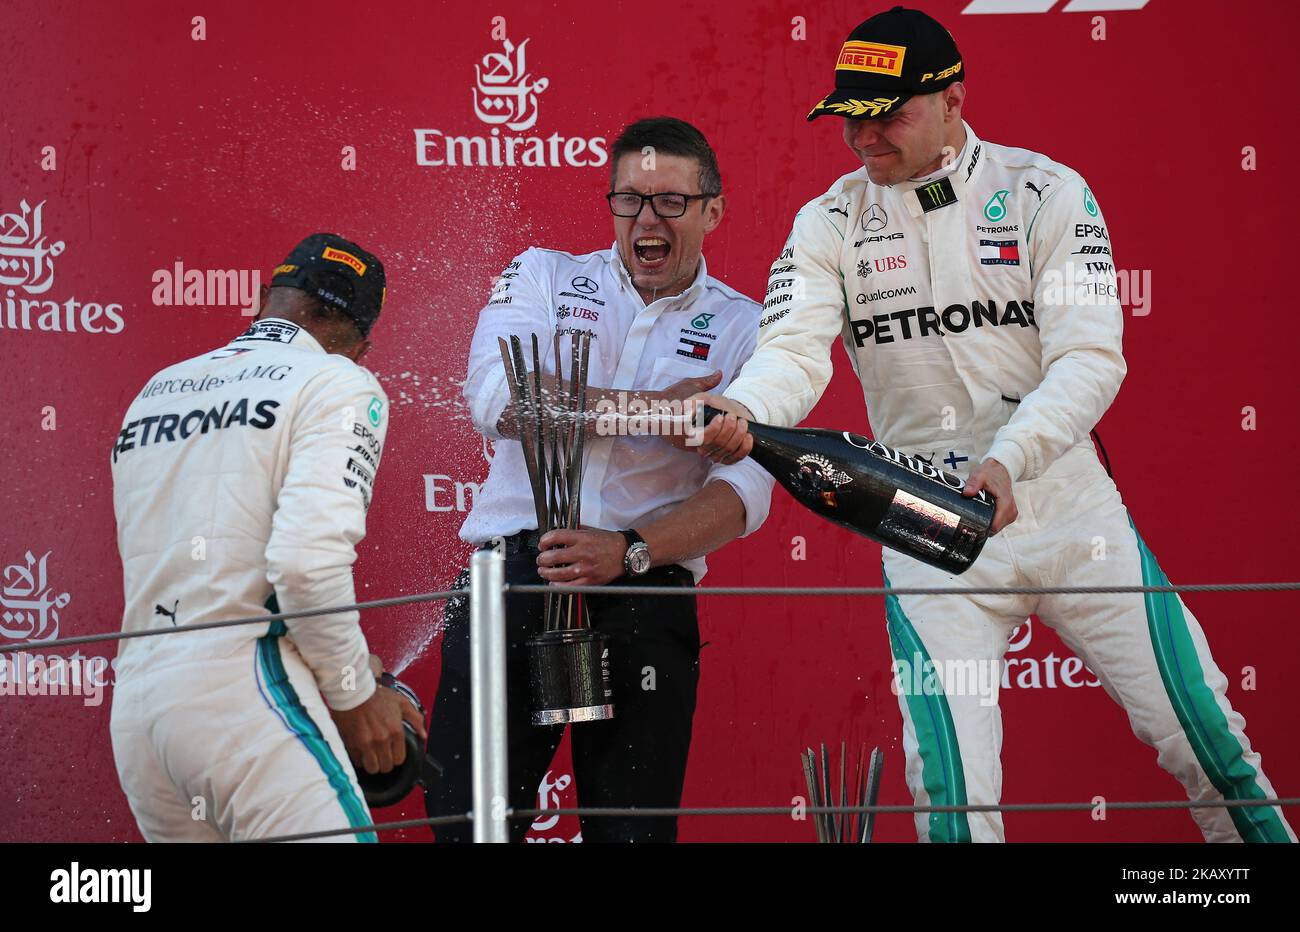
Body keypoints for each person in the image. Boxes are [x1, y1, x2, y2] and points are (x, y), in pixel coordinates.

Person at [694, 7, 1295, 843]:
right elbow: (792, 351)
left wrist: (1011, 459)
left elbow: (1091, 357)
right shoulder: (827, 222)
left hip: (1065, 506)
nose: (865, 138)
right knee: (950, 792)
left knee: (1208, 741)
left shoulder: (1047, 191)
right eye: (850, 117)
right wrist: (747, 407)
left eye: (889, 113)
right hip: (924, 518)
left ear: (953, 98)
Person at [426, 116, 773, 843]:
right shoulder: (545, 274)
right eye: (630, 200)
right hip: (512, 581)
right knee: (470, 829)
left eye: (671, 202)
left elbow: (745, 493)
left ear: (713, 210)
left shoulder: (746, 327)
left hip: (645, 593)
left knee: (631, 834)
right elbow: (501, 399)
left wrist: (631, 552)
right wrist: (656, 412)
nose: (648, 219)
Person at [110, 233, 424, 842]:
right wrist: (356, 695)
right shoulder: (334, 381)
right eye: (362, 350)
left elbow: (217, 575)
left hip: (141, 715)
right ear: (356, 338)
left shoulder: (155, 390)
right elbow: (306, 565)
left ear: (266, 300)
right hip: (244, 701)